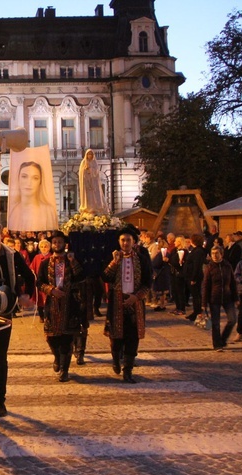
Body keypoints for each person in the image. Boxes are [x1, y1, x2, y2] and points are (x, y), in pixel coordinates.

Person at [0, 219, 35, 417]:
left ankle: (0, 400)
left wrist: (24, 295)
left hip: (4, 311)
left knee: (0, 357)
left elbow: (29, 276)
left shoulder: (10, 255)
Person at [102, 227, 152, 383]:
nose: (125, 243)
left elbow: (148, 282)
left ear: (134, 241)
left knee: (133, 337)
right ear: (119, 242)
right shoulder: (113, 257)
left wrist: (136, 297)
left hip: (135, 302)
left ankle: (128, 371)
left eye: (128, 240)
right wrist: (114, 263)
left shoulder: (142, 259)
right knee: (116, 336)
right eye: (123, 240)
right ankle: (116, 358)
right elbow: (105, 277)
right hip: (117, 302)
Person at [37, 231, 87, 382]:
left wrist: (72, 262)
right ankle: (57, 358)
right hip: (52, 303)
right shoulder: (45, 263)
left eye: (59, 242)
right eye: (54, 242)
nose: (57, 245)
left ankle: (64, 369)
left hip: (70, 303)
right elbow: (39, 282)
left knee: (67, 337)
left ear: (64, 245)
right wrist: (51, 290)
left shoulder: (72, 261)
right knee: (51, 337)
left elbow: (81, 277)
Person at [202, 246, 238, 351]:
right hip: (214, 298)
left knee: (232, 320)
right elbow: (205, 286)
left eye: (216, 253)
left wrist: (236, 298)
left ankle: (223, 339)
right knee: (216, 323)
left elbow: (232, 283)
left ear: (221, 254)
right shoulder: (209, 268)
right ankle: (217, 344)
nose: (214, 255)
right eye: (212, 253)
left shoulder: (227, 266)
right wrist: (204, 303)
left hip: (228, 297)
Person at [7, 161, 58, 232]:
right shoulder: (14, 212)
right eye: (24, 177)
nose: (29, 183)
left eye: (35, 178)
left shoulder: (49, 211)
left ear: (40, 182)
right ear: (18, 179)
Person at [78, 149, 109, 215]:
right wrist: (86, 170)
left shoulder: (94, 162)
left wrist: (91, 170)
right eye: (88, 154)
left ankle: (96, 208)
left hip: (94, 183)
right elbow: (81, 173)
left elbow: (96, 172)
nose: (90, 156)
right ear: (86, 155)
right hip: (86, 183)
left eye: (91, 154)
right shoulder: (83, 162)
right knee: (88, 197)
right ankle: (87, 209)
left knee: (95, 196)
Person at [184, 234, 206, 322]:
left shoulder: (198, 251)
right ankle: (196, 311)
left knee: (196, 295)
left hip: (194, 276)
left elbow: (197, 265)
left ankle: (197, 312)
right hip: (191, 275)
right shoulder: (196, 250)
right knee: (195, 295)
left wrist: (193, 278)